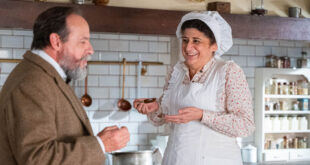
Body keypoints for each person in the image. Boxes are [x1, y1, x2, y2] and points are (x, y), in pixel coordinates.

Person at [0, 6, 130, 165]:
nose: (91, 50)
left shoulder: (48, 76)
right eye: (83, 41)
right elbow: (38, 159)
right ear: (56, 42)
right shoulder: (32, 83)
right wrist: (101, 144)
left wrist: (99, 141)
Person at [134, 11, 255, 165]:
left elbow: (245, 125)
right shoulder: (176, 72)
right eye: (185, 40)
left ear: (214, 45)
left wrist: (202, 115)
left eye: (196, 41)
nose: (188, 47)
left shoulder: (228, 71)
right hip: (175, 159)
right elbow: (162, 119)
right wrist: (154, 108)